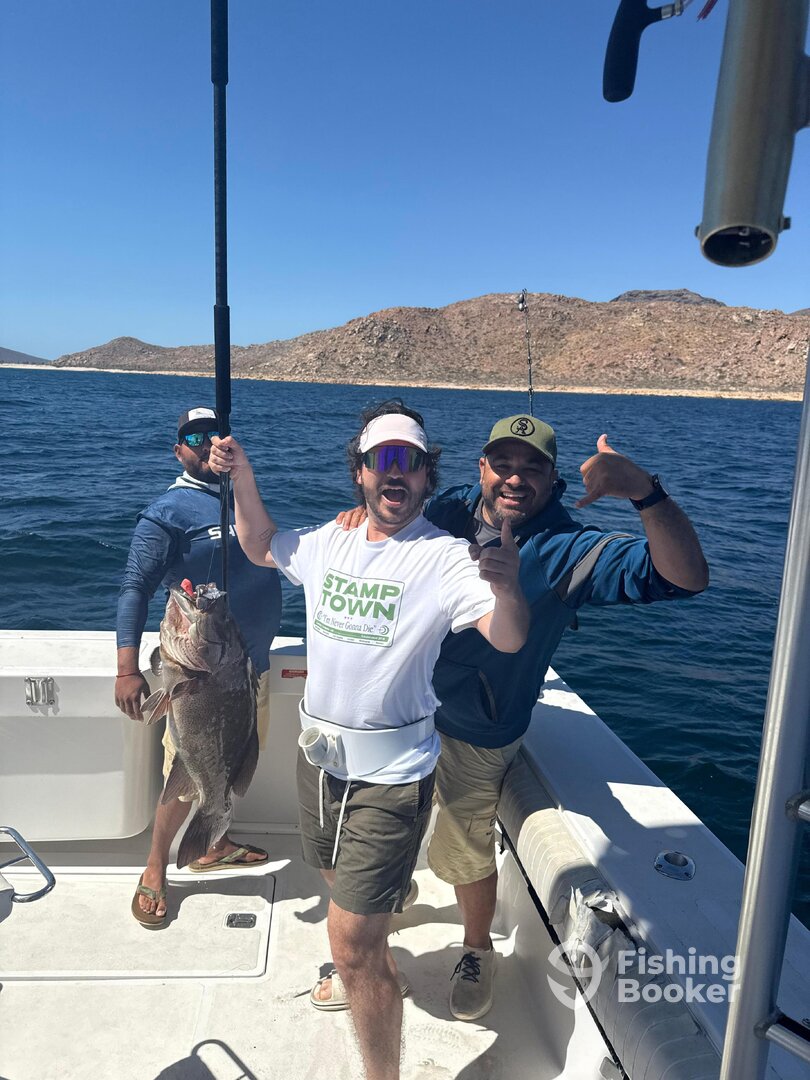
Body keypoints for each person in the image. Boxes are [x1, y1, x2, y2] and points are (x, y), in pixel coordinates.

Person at [339, 413, 709, 1022]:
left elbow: (685, 578)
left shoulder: (570, 551)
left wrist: (645, 492)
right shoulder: (450, 508)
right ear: (481, 468)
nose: (515, 478)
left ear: (553, 479)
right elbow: (391, 503)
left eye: (532, 467)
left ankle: (476, 949)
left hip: (478, 729)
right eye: (503, 464)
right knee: (383, 824)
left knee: (463, 845)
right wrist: (361, 515)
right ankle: (377, 923)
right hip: (400, 710)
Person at [208, 401, 529, 1080]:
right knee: (334, 882)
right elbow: (261, 545)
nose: (395, 473)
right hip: (319, 765)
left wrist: (508, 589)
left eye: (409, 461)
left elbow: (507, 637)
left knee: (349, 944)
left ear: (426, 476)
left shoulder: (445, 558)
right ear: (359, 472)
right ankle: (380, 959)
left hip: (392, 776)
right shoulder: (331, 538)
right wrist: (242, 476)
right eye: (381, 459)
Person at [115, 406, 282, 927]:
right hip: (198, 679)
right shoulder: (167, 513)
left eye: (216, 434)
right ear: (178, 450)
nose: (207, 443)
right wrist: (126, 668)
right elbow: (134, 588)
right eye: (195, 437)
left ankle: (214, 841)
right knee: (183, 771)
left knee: (233, 762)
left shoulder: (242, 497)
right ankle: (155, 867)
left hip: (248, 671)